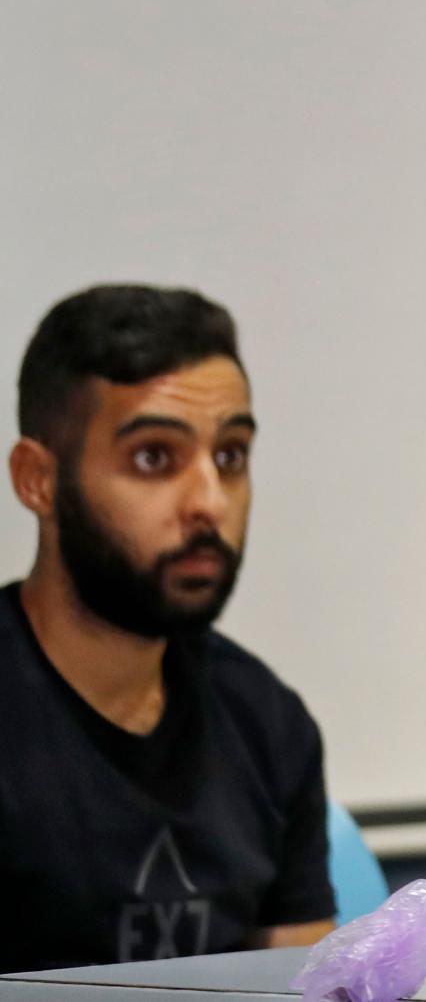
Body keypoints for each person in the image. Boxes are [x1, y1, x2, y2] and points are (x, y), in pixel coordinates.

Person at [1, 286, 335, 972]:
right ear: (38, 479)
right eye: (155, 457)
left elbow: (305, 984)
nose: (209, 502)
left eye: (232, 456)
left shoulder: (270, 724)